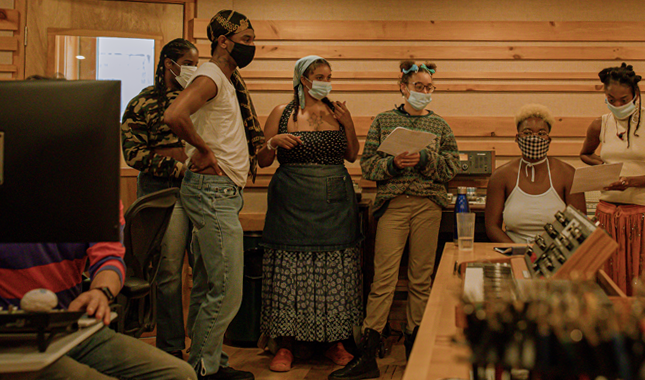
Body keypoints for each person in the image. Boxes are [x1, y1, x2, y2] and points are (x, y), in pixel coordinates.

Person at [331, 60, 458, 380]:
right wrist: (394, 164)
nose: (424, 93)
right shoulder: (384, 121)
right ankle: (368, 354)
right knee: (383, 280)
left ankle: (417, 346)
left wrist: (426, 157)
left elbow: (453, 167)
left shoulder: (440, 125)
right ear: (404, 87)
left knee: (421, 278)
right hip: (393, 206)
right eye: (419, 87)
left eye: (429, 88)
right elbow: (369, 166)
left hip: (429, 206)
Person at [0, 210, 197, 380]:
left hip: (70, 328)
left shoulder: (91, 191)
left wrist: (100, 292)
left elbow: (109, 258)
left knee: (180, 374)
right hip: (3, 339)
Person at [164, 9, 266, 380]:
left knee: (209, 284)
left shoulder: (226, 78)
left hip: (220, 192)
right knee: (226, 289)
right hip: (213, 192)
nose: (251, 47)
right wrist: (203, 150)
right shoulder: (211, 76)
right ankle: (203, 370)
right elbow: (175, 115)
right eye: (247, 40)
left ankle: (207, 363)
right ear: (223, 41)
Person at [255, 55, 362, 372]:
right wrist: (272, 141)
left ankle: (335, 342)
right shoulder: (282, 112)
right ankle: (285, 344)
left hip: (334, 202)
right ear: (303, 79)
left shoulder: (338, 112)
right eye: (319, 75)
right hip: (291, 203)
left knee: (334, 273)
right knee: (289, 270)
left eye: (329, 75)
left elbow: (353, 154)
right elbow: (261, 160)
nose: (326, 81)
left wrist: (349, 123)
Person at [121, 37, 199, 360]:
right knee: (168, 271)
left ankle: (206, 349)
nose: (194, 69)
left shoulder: (201, 100)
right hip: (163, 191)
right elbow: (133, 153)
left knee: (206, 269)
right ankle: (171, 348)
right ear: (170, 64)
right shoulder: (143, 103)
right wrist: (177, 168)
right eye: (189, 63)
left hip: (202, 189)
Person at [579, 62, 645, 296]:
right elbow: (585, 154)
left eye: (624, 100)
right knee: (610, 287)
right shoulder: (599, 123)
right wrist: (603, 167)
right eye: (611, 99)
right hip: (608, 217)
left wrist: (629, 181)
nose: (618, 105)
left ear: (636, 95)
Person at [485, 104, 586, 244]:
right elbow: (492, 227)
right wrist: (517, 251)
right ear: (517, 138)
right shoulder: (500, 176)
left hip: (556, 255)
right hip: (513, 252)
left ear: (549, 140)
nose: (534, 138)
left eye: (541, 133)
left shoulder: (568, 174)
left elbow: (579, 224)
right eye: (527, 133)